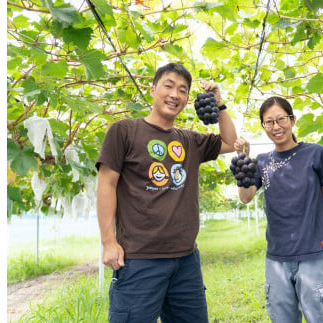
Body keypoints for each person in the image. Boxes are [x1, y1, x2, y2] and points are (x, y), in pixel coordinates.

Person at [96, 62, 237, 322]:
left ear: (186, 99)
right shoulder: (124, 131)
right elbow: (106, 184)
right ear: (153, 89)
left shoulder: (190, 141)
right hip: (139, 259)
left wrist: (220, 104)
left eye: (182, 90)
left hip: (186, 260)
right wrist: (108, 242)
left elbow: (230, 141)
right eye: (168, 86)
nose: (175, 94)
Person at [234, 96, 323, 323]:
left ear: (292, 120)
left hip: (314, 255)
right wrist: (243, 159)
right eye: (269, 122)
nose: (276, 127)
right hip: (277, 258)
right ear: (263, 126)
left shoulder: (315, 153)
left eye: (281, 119)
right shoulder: (261, 161)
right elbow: (246, 197)